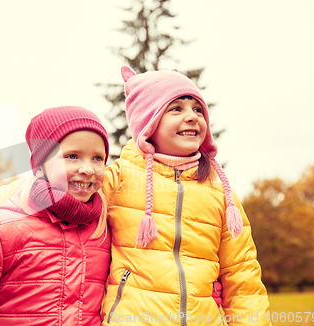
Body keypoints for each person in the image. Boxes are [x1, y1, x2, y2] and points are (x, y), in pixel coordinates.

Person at [99, 66, 271, 325]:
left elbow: (243, 278)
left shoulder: (221, 192)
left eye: (197, 109)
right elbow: (60, 196)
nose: (192, 116)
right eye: (176, 108)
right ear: (148, 121)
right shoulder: (118, 178)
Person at [0, 106, 111, 325]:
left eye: (97, 158)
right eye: (72, 156)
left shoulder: (105, 228)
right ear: (39, 167)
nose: (88, 169)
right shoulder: (1, 227)